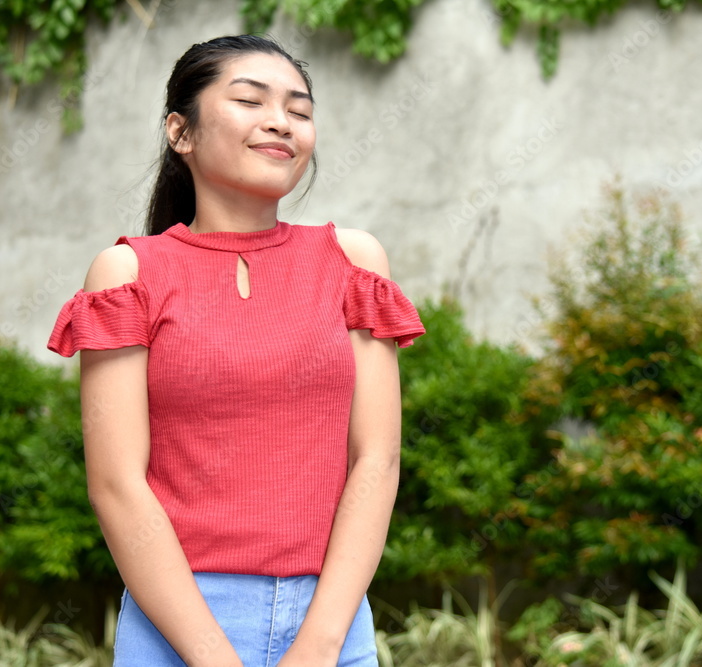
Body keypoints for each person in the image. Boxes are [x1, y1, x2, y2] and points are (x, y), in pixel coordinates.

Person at [46, 34, 425, 666]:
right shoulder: (127, 273)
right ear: (180, 131)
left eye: (299, 110)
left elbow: (377, 461)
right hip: (176, 626)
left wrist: (319, 645)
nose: (281, 122)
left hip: (332, 625)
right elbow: (116, 486)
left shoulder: (354, 262)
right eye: (250, 101)